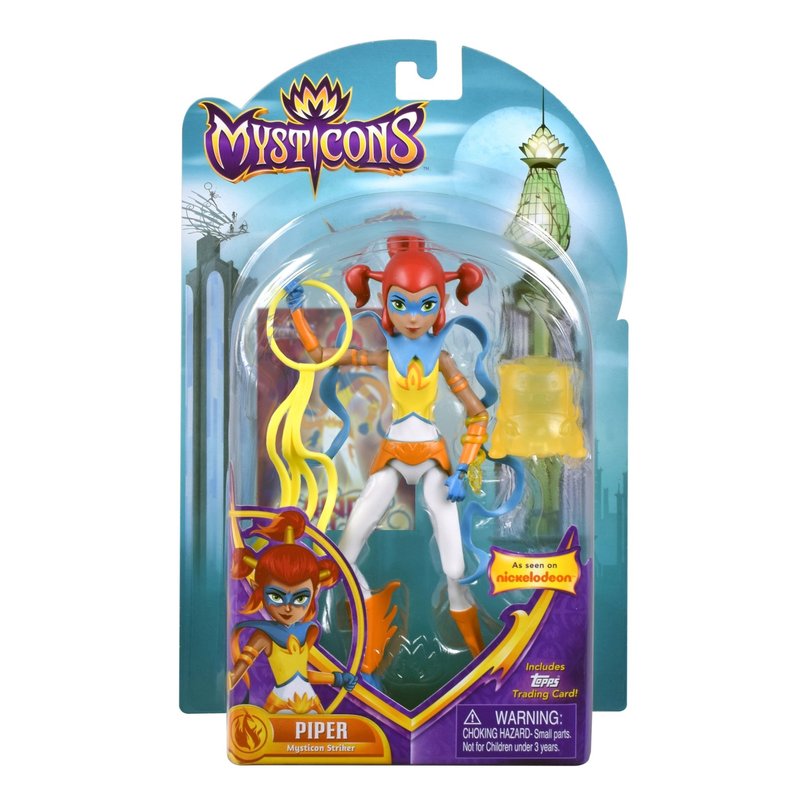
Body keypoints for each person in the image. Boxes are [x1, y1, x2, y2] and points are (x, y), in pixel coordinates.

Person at [286, 235, 490, 673]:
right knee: (346, 551)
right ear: (385, 303)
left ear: (440, 304)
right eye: (401, 304)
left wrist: (464, 468)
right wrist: (296, 312)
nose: (413, 317)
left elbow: (478, 414)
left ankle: (479, 656)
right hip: (393, 457)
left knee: (455, 569)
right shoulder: (385, 354)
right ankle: (368, 611)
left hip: (434, 462)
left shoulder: (443, 357)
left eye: (425, 304)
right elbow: (320, 355)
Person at [229, 510, 357, 714]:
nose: (288, 608)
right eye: (276, 597)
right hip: (281, 706)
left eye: (299, 599)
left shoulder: (305, 632)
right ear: (257, 588)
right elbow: (238, 672)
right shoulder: (264, 636)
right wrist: (226, 682)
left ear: (315, 590)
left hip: (311, 704)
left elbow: (303, 675)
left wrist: (337, 678)